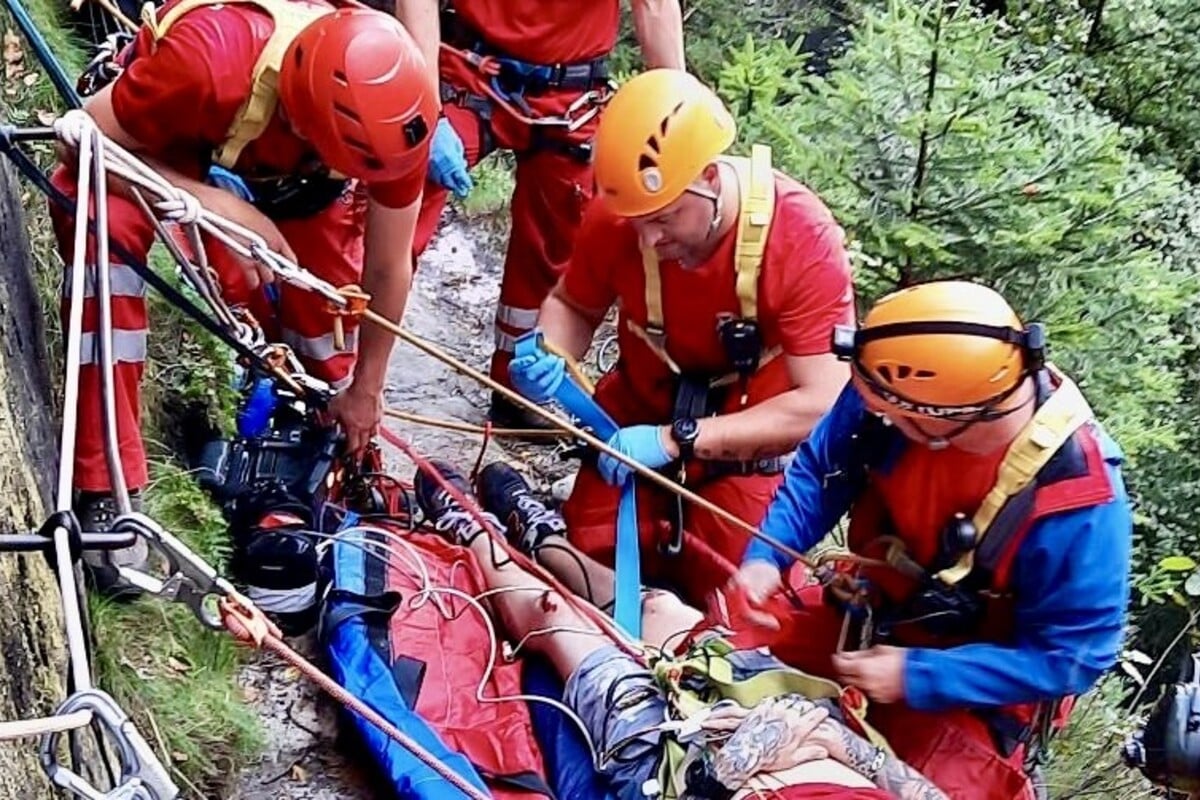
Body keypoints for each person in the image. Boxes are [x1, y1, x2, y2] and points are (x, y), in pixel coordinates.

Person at [50, 0, 437, 593]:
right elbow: (79, 139)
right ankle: (107, 488)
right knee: (104, 225)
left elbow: (387, 268)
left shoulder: (397, 120)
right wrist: (214, 206)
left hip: (300, 184)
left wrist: (366, 389)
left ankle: (326, 452)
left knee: (325, 332)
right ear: (306, 124)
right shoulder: (208, 59)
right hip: (162, 142)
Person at [723, 280, 1133, 799]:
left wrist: (920, 675)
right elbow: (823, 468)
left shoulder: (1080, 499)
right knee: (724, 664)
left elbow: (1072, 657)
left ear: (942, 423)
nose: (875, 417)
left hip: (979, 684)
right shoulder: (891, 389)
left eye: (895, 416)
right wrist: (767, 556)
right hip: (870, 610)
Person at [508, 69, 855, 607]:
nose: (648, 237)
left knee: (746, 600)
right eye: (639, 221)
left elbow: (821, 404)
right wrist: (550, 351)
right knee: (584, 560)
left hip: (743, 449)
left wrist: (678, 439)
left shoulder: (801, 238)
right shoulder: (621, 214)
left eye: (665, 218)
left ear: (710, 177)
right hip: (629, 428)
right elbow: (573, 304)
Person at [411, 457, 952, 800]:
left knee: (564, 625)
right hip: (785, 719)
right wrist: (835, 740)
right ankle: (545, 538)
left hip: (676, 766)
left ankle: (473, 530)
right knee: (660, 611)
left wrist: (731, 768)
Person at [394, 0, 685, 426]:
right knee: (402, 191)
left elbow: (655, 7)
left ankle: (520, 383)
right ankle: (352, 361)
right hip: (470, 68)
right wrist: (426, 104)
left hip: (571, 93)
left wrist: (676, 115)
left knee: (558, 241)